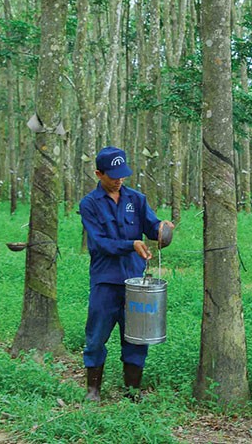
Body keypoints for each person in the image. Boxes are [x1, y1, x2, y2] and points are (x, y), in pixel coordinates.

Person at [79, 146, 174, 402]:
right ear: (99, 173)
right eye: (113, 175)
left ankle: (132, 391)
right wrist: (130, 245)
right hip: (105, 282)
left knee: (137, 335)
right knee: (97, 335)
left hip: (135, 282)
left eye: (122, 174)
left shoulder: (137, 200)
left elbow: (152, 225)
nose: (119, 180)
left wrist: (162, 229)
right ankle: (93, 390)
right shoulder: (89, 204)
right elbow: (99, 243)